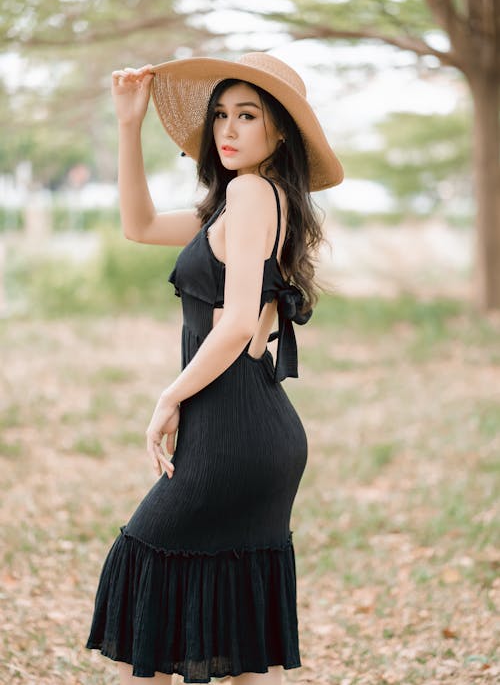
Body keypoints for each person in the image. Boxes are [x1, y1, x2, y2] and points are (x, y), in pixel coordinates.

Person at [85, 52, 344, 684]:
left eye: (247, 116)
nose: (227, 130)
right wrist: (129, 125)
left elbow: (234, 322)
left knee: (144, 584)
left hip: (231, 436)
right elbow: (139, 224)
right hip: (255, 434)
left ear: (278, 131)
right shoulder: (243, 204)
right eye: (220, 115)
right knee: (239, 634)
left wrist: (166, 398)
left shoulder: (253, 192)